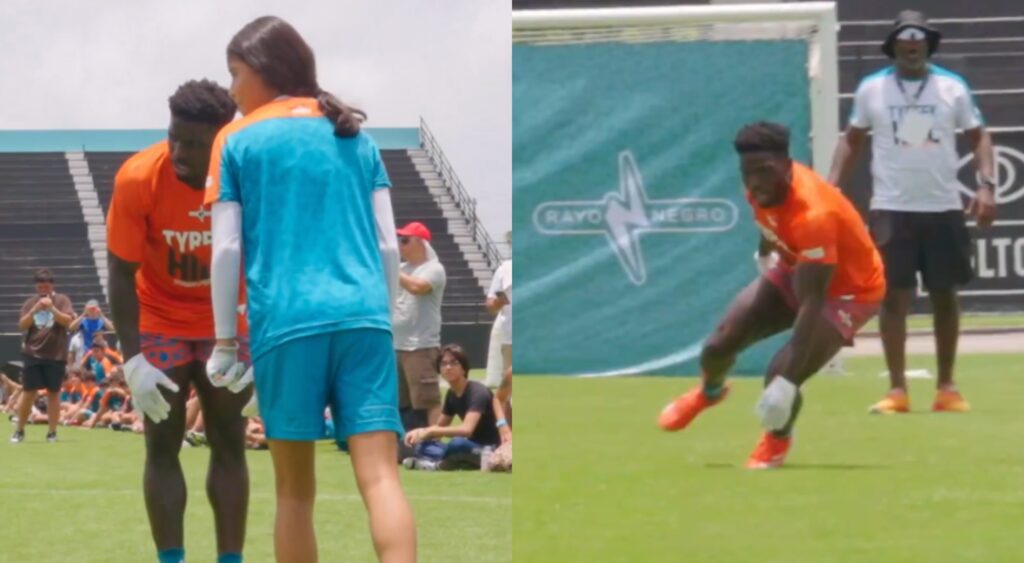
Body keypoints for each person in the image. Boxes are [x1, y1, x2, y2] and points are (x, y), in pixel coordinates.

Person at [204, 16, 415, 563]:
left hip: (287, 322)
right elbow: (389, 247)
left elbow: (226, 249)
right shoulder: (355, 135)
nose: (231, 91)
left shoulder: (236, 139)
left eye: (235, 74)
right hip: (365, 318)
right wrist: (383, 315)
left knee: (295, 493)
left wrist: (225, 341)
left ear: (264, 70)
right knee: (381, 479)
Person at [658, 122, 886, 469]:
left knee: (778, 376)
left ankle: (776, 440)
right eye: (748, 172)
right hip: (798, 266)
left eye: (765, 171)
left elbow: (812, 302)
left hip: (850, 291)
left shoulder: (815, 214)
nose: (756, 182)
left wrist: (788, 382)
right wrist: (765, 254)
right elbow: (770, 224)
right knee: (718, 347)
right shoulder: (756, 186)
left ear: (787, 164)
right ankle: (710, 392)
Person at [106, 79, 247, 563]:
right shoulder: (138, 177)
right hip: (159, 320)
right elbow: (121, 273)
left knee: (229, 441)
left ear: (223, 137)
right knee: (162, 445)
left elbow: (270, 258)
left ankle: (231, 558)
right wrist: (132, 361)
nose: (181, 152)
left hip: (228, 324)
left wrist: (264, 340)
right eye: (174, 137)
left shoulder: (248, 177)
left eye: (195, 143)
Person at [828, 10, 995, 414]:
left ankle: (947, 388)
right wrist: (832, 186)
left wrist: (987, 184)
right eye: (904, 41)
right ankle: (897, 390)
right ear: (894, 47)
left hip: (941, 206)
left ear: (928, 46)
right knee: (893, 298)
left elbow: (979, 136)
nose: (912, 47)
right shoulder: (872, 89)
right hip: (891, 207)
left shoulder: (952, 87)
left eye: (919, 41)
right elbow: (851, 140)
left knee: (945, 296)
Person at [403, 344, 510, 470]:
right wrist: (420, 433)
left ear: (463, 368)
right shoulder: (451, 394)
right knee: (423, 445)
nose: (448, 367)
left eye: (454, 363)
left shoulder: (477, 392)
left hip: (489, 448)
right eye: (443, 364)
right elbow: (439, 427)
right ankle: (455, 461)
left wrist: (430, 431)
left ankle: (438, 464)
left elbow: (466, 430)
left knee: (457, 444)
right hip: (470, 446)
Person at [11, 268, 75, 443]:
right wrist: (35, 310)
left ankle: (52, 432)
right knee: (28, 392)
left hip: (55, 355)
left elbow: (68, 322)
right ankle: (19, 430)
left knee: (53, 393)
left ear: (52, 285)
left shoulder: (62, 300)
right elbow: (22, 326)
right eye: (40, 287)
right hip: (33, 353)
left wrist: (52, 308)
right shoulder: (30, 302)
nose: (43, 290)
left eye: (46, 287)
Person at [394, 221, 447, 426]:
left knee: (427, 400)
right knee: (402, 402)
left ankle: (432, 443)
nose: (400, 245)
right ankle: (409, 445)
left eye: (405, 240)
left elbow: (417, 287)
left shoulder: (434, 269)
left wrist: (391, 270)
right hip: (397, 344)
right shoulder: (402, 268)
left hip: (420, 345)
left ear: (421, 242)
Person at [485, 258, 512, 424]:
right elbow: (490, 305)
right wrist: (498, 301)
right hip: (511, 337)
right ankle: (507, 436)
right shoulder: (504, 268)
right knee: (508, 391)